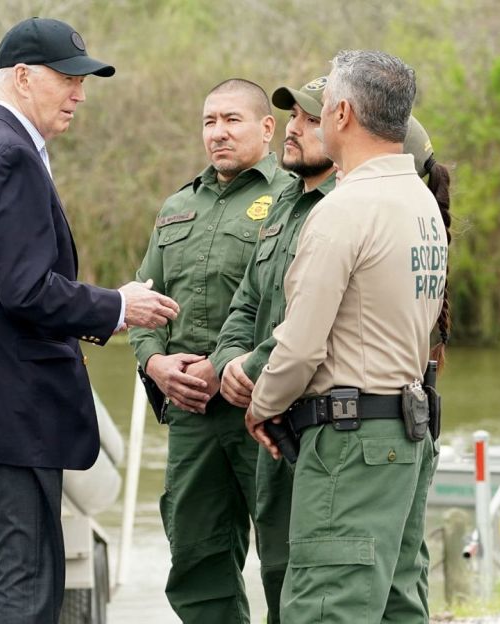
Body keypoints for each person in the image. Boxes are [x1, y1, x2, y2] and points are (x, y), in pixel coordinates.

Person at [0, 17, 180, 622]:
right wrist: (116, 307)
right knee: (26, 581)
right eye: (68, 78)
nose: (80, 93)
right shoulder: (9, 154)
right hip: (13, 406)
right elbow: (25, 290)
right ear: (23, 78)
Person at [209, 72, 450, 621]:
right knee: (395, 604)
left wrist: (262, 404)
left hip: (347, 440)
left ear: (342, 115)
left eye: (316, 112)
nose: (300, 125)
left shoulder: (344, 210)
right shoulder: (418, 203)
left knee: (325, 608)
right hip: (402, 432)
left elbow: (299, 347)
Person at [130, 78, 292, 623]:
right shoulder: (177, 205)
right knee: (195, 557)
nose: (218, 134)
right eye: (209, 122)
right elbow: (143, 303)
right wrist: (155, 363)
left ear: (267, 128)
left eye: (232, 120)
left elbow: (300, 306)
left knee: (286, 556)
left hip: (263, 407)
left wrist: (227, 364)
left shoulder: (294, 198)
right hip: (191, 411)